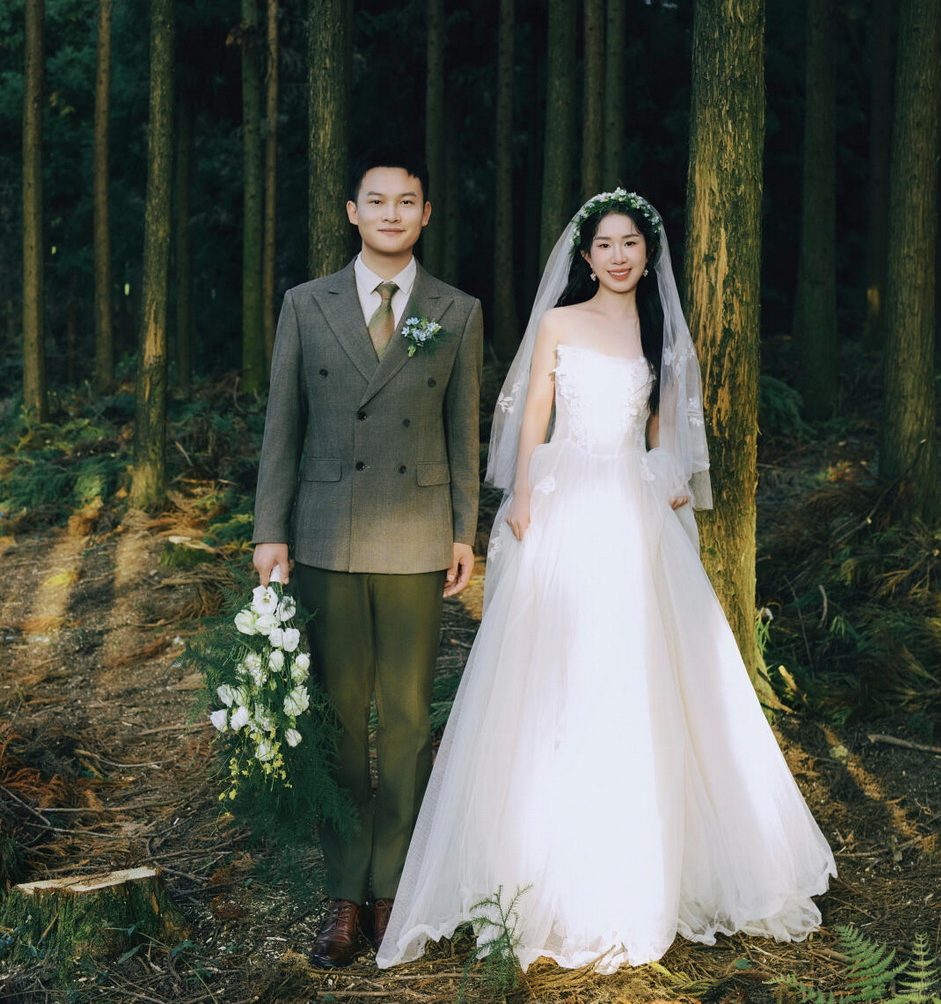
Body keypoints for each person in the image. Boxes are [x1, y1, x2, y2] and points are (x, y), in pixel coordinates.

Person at [378, 188, 835, 975]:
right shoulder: (560, 322)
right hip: (566, 499)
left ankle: (640, 866)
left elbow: (665, 421)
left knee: (639, 670)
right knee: (551, 675)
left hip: (631, 504)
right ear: (586, 257)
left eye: (630, 244)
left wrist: (670, 474)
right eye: (605, 245)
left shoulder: (657, 331)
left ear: (646, 255)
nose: (618, 256)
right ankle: (541, 866)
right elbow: (535, 412)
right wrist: (524, 493)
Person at [251, 153, 483, 967]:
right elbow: (283, 424)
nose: (391, 213)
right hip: (326, 531)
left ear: (426, 214)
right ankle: (344, 892)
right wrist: (269, 529)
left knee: (410, 720)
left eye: (406, 201)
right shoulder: (305, 303)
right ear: (352, 211)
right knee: (341, 721)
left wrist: (464, 529)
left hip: (417, 533)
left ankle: (392, 886)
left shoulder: (455, 310)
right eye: (376, 200)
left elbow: (463, 430)